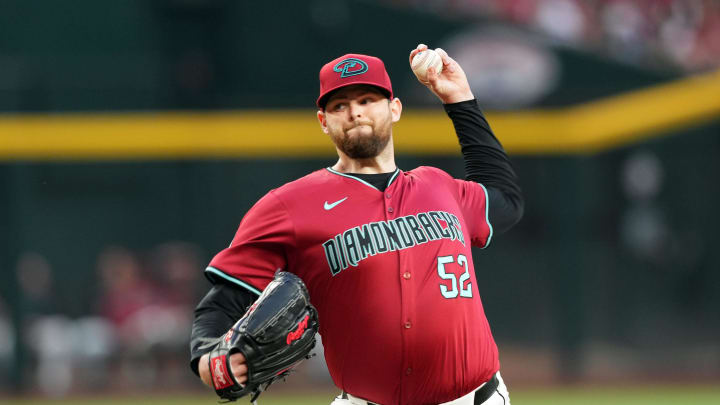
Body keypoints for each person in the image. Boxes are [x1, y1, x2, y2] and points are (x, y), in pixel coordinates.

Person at [190, 44, 524, 405]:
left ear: (394, 109)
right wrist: (207, 354)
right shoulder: (288, 206)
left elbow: (505, 200)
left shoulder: (439, 186)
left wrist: (460, 99)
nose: (355, 112)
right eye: (340, 105)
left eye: (367, 100)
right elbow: (223, 301)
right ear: (323, 121)